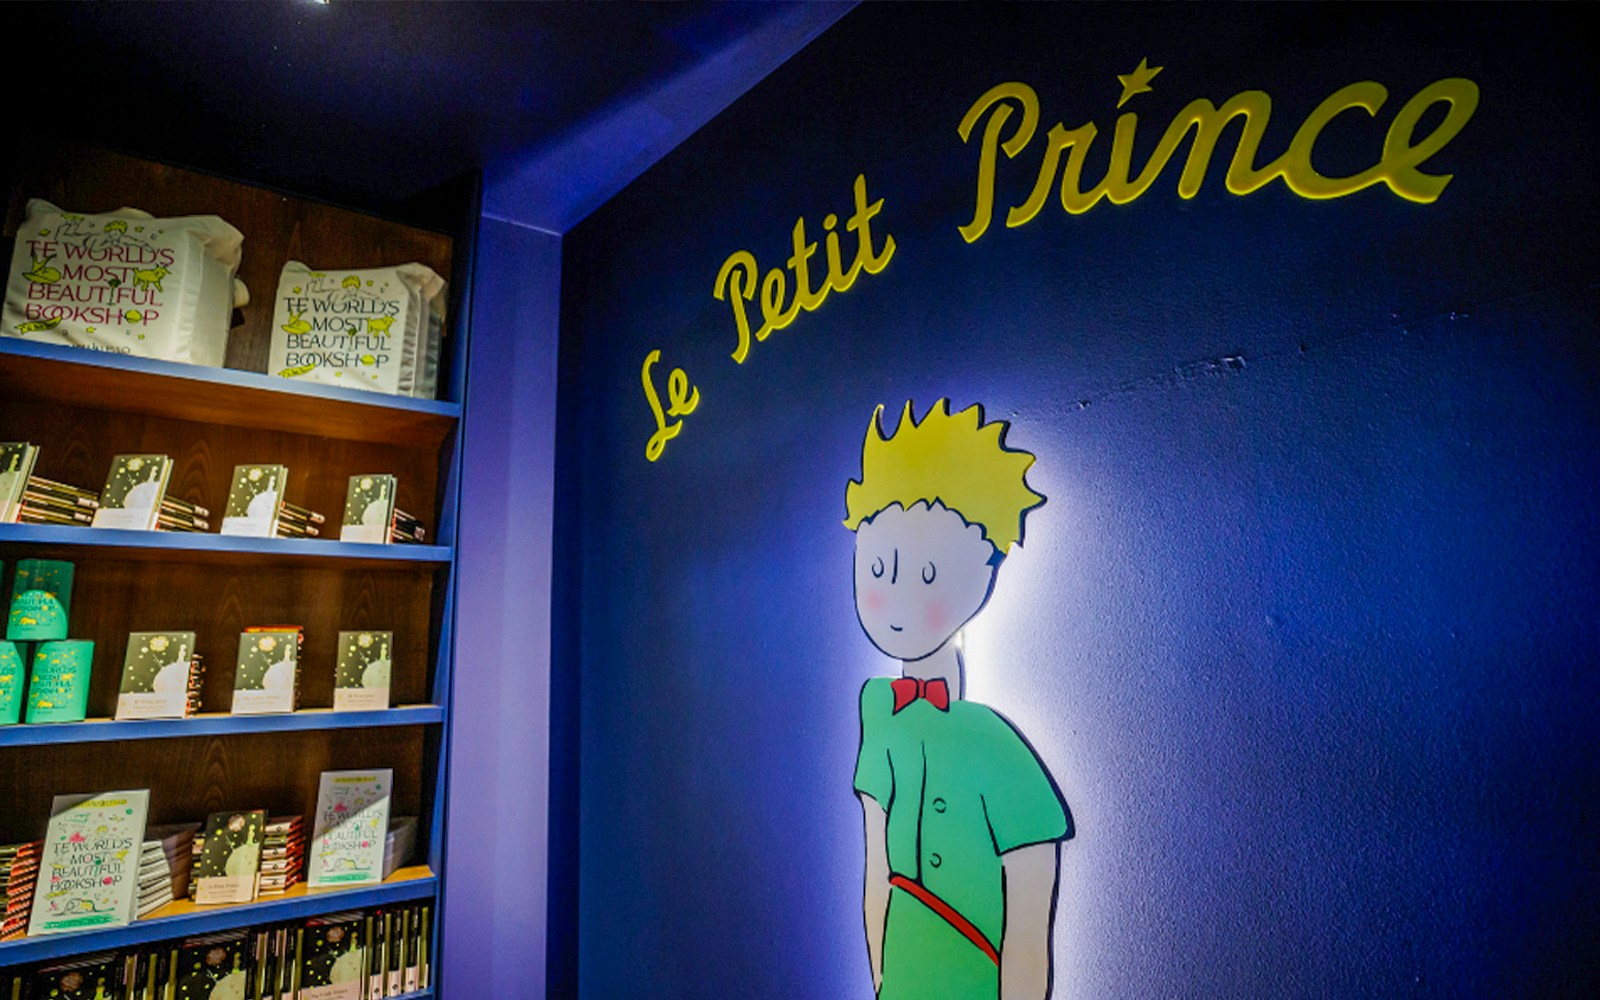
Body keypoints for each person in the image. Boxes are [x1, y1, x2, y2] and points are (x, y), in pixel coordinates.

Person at [846, 399, 1072, 1000]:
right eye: (880, 566)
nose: (898, 597)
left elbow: (1029, 907)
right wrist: (880, 978)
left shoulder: (994, 743)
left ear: (982, 572)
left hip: (973, 974)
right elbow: (876, 872)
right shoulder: (879, 714)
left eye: (927, 576)